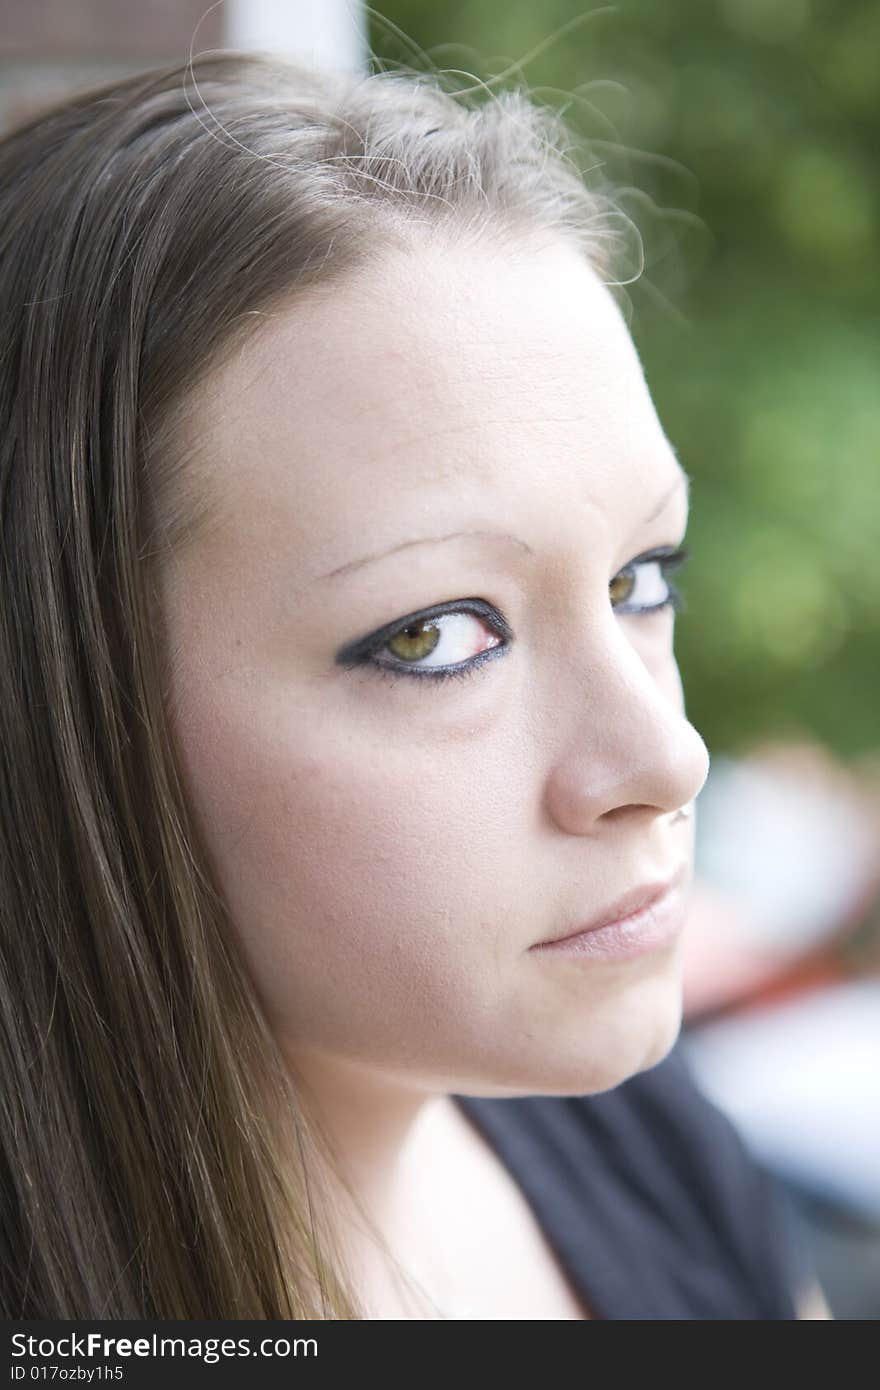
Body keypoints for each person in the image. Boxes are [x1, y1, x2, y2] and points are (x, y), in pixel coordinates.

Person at [0, 49, 831, 1320]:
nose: (665, 758)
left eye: (639, 578)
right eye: (437, 636)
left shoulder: (655, 1144)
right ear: (61, 708)